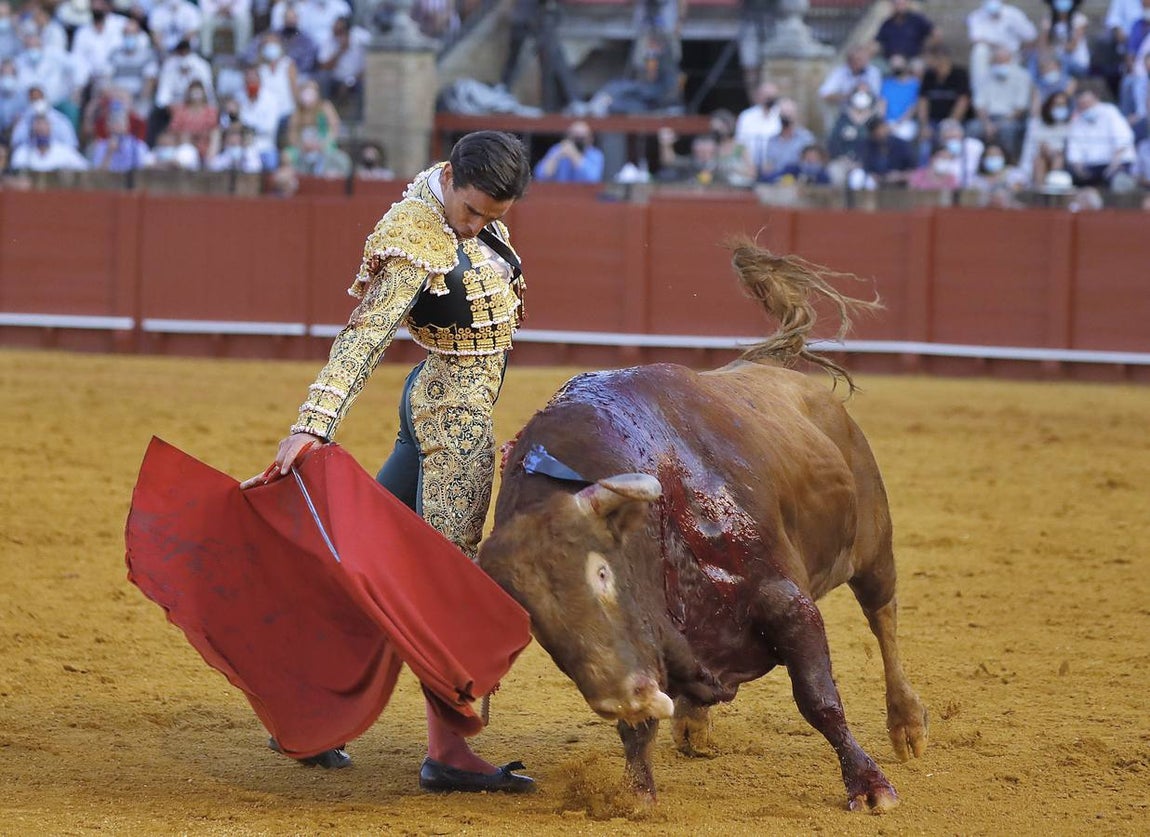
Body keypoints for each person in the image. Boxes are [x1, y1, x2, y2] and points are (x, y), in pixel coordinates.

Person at [239, 131, 536, 794]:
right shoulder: (414, 237)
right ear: (453, 179)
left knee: (366, 568)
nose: (480, 225)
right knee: (446, 576)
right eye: (474, 212)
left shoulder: (452, 192)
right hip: (453, 413)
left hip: (448, 399)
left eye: (493, 218)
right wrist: (312, 424)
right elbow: (365, 334)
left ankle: (309, 717)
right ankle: (450, 752)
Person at [967, 46, 1032, 160]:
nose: (1000, 64)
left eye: (1004, 61)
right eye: (998, 61)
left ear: (1011, 60)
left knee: (1007, 130)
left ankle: (1010, 162)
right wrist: (987, 124)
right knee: (973, 128)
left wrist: (999, 124)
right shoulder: (985, 76)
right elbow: (979, 104)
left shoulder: (1022, 76)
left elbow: (1020, 108)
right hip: (987, 118)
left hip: (1010, 119)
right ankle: (974, 164)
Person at [1065, 86, 1136, 186]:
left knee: (1119, 180)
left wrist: (1112, 167)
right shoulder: (1076, 121)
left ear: (1096, 99)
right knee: (1068, 178)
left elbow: (1123, 141)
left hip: (1115, 164)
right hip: (1091, 167)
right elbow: (1074, 151)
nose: (1085, 107)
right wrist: (1080, 171)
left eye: (1087, 103)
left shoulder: (1110, 112)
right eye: (1081, 105)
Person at [1019, 89, 1072, 185]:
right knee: (1039, 161)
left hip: (1062, 161)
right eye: (1057, 105)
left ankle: (1054, 186)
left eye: (1063, 105)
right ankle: (1040, 190)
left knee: (1058, 158)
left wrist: (1055, 153)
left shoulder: (1070, 125)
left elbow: (1068, 149)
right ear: (1049, 106)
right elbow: (1036, 147)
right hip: (1041, 158)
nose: (1060, 108)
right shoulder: (1037, 124)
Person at [11, 114, 89, 172]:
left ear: (50, 128)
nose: (41, 128)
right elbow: (15, 172)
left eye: (44, 125)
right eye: (38, 125)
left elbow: (86, 168)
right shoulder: (22, 152)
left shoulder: (64, 151)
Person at [533, 120, 604, 182]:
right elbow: (540, 176)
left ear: (590, 139)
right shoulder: (558, 149)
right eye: (575, 137)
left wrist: (574, 155)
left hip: (585, 195)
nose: (578, 141)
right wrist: (557, 156)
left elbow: (593, 179)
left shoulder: (595, 154)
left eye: (582, 138)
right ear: (568, 136)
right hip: (559, 194)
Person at [734, 80, 781, 176]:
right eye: (766, 95)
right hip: (748, 168)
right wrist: (750, 166)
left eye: (772, 96)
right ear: (759, 96)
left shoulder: (781, 116)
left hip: (776, 168)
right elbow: (740, 144)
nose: (769, 99)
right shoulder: (746, 116)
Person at [873, 0, 938, 61]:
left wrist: (928, 51)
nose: (900, 7)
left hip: (914, 60)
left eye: (902, 4)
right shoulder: (887, 24)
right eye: (897, 4)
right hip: (890, 61)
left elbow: (935, 33)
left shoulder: (917, 20)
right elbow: (877, 42)